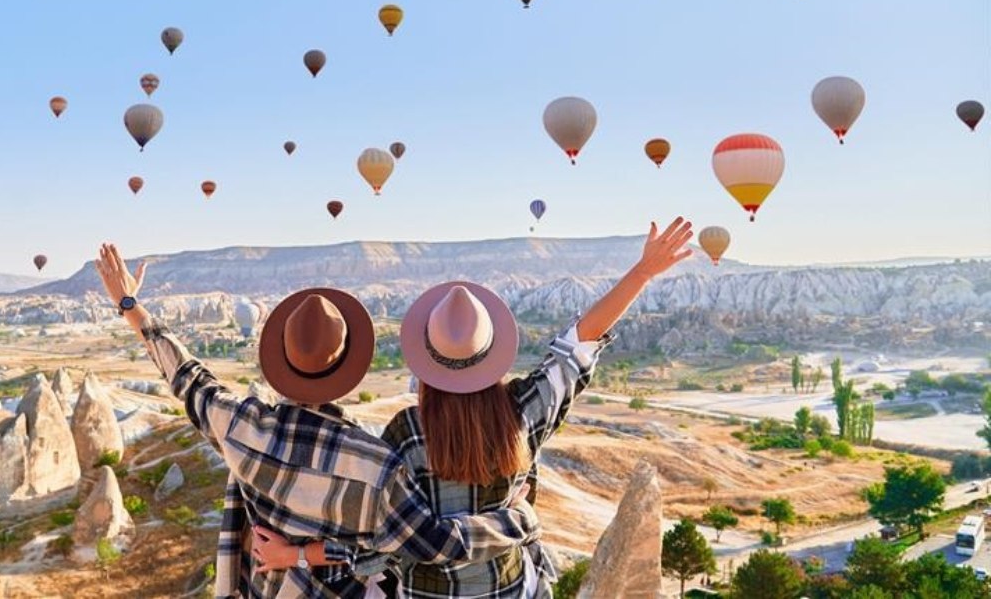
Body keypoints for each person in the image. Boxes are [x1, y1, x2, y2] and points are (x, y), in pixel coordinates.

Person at [252, 218, 694, 597]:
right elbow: (579, 343)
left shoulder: (405, 434)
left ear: (426, 364)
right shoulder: (522, 411)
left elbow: (378, 545)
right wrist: (643, 272)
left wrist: (292, 554)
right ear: (491, 354)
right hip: (513, 587)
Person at [94, 244, 541, 599]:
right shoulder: (374, 466)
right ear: (350, 369)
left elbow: (188, 378)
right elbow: (432, 545)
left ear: (282, 358)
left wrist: (131, 304)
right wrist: (516, 519)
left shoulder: (241, 427)